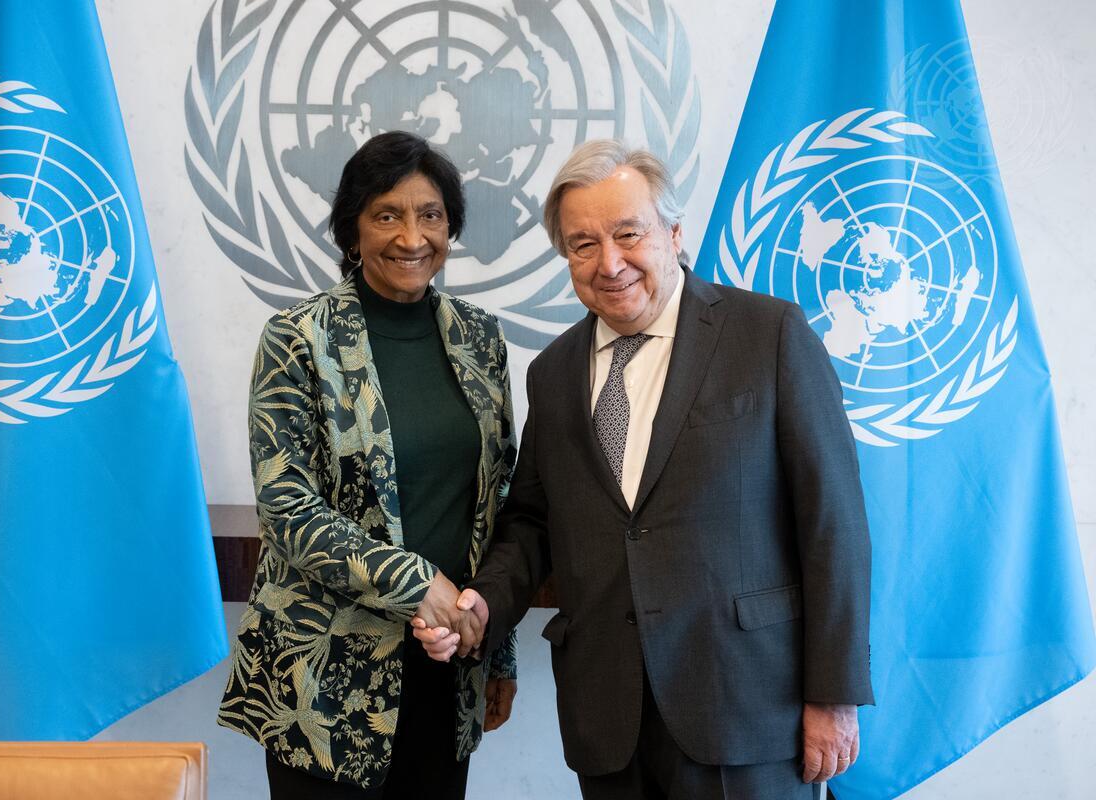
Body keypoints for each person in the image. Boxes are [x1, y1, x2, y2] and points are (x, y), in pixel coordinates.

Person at [414, 139, 873, 799]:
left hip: (747, 711)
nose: (610, 263)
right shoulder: (555, 372)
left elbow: (834, 521)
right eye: (582, 244)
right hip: (609, 721)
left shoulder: (766, 335)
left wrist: (834, 695)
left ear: (674, 233)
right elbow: (535, 522)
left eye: (628, 234)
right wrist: (483, 603)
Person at [218, 130, 518, 799]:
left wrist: (495, 646)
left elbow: (496, 501)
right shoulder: (297, 338)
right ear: (352, 230)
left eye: (431, 215)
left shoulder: (480, 340)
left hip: (447, 669)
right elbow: (288, 510)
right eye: (388, 214)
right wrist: (418, 582)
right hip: (323, 684)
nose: (412, 236)